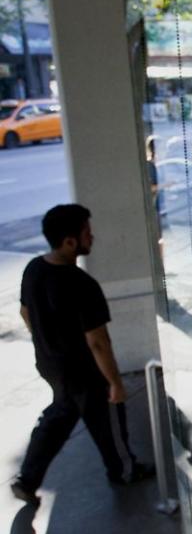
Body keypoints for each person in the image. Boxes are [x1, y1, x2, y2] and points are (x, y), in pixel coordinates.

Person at [11, 204, 153, 508]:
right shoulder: (81, 285)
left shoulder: (34, 269)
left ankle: (27, 480)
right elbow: (98, 342)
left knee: (59, 417)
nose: (93, 236)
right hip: (85, 372)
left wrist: (48, 344)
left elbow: (25, 312)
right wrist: (114, 382)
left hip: (52, 365)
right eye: (87, 232)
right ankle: (124, 470)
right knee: (109, 421)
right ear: (70, 241)